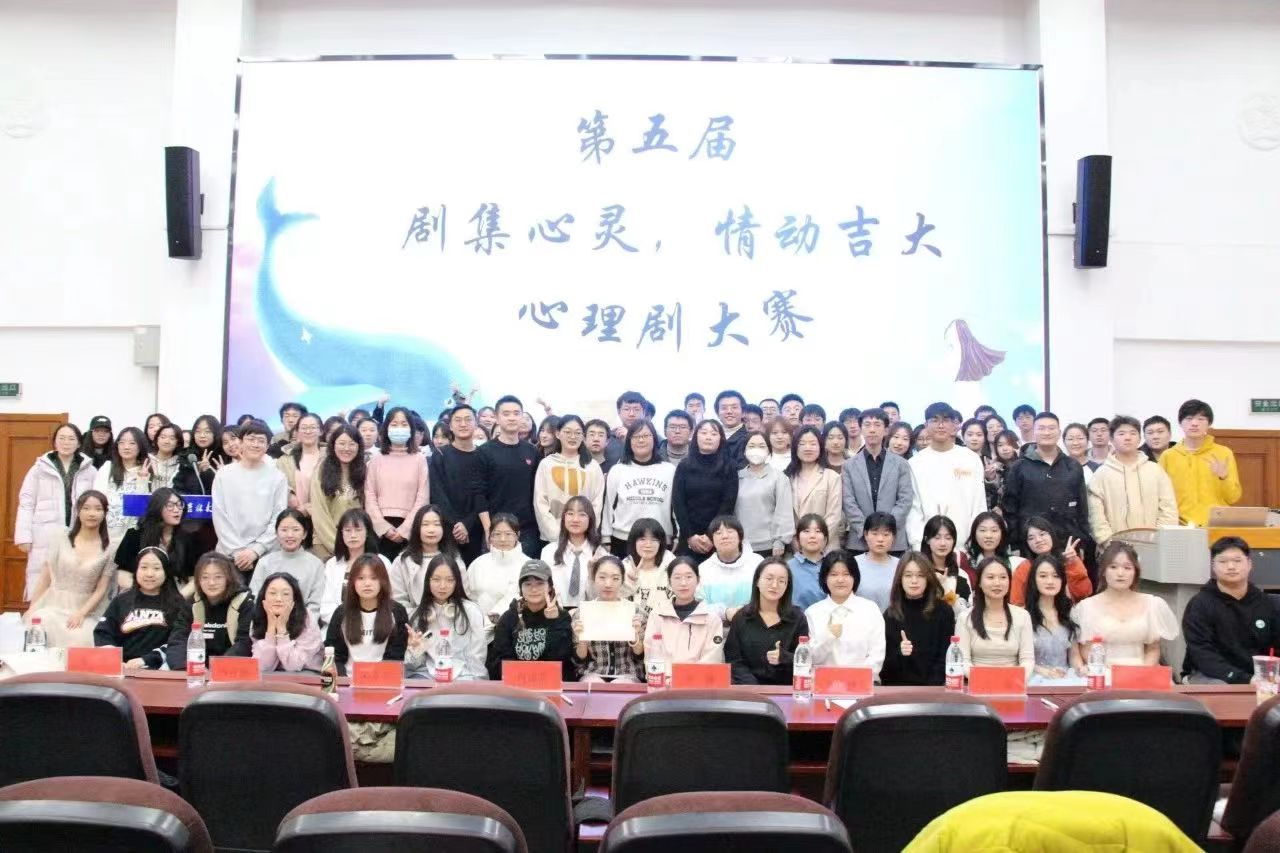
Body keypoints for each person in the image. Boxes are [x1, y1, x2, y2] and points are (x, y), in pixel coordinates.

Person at [1000, 412, 1092, 576]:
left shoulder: (1073, 466)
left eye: (1051, 428)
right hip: (1031, 545)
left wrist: (1082, 542)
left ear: (1059, 432)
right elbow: (1010, 509)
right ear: (1034, 432)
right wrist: (1015, 544)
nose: (1047, 432)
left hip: (1067, 543)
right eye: (1041, 428)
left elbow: (1082, 509)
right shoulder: (1019, 467)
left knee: (1069, 586)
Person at [1181, 537, 1280, 684]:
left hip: (1260, 675)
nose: (1231, 566)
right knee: (1220, 687)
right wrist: (1245, 679)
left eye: (1237, 561)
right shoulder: (1200, 604)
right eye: (1223, 561)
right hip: (1210, 675)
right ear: (1213, 566)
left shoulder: (1268, 603)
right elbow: (1202, 653)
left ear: (1249, 564)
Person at [15, 422, 97, 598]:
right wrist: (24, 536)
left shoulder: (89, 470)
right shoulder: (39, 469)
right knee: (40, 578)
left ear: (79, 443)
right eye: (62, 438)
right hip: (45, 532)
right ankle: (36, 613)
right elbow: (26, 503)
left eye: (71, 439)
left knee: (73, 582)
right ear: (54, 441)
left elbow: (97, 504)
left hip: (78, 532)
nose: (66, 442)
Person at [23, 490, 112, 647]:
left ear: (105, 513)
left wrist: (81, 614)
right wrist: (32, 607)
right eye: (86, 508)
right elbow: (45, 577)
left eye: (98, 509)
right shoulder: (60, 537)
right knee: (40, 623)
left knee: (84, 637)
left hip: (85, 610)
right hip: (53, 605)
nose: (92, 513)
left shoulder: (110, 547)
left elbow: (101, 589)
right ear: (78, 511)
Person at [1070, 542, 1179, 669]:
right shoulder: (1086, 607)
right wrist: (1105, 671)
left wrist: (1141, 671)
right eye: (1113, 567)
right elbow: (1085, 650)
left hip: (1141, 672)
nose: (1120, 573)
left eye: (1127, 568)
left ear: (1135, 572)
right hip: (1102, 672)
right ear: (1103, 571)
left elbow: (1153, 649)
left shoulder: (1152, 604)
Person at [212, 420, 289, 579]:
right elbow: (219, 516)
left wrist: (256, 550)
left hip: (265, 555)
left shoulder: (278, 477)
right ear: (240, 442)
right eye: (251, 439)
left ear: (267, 446)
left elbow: (278, 517)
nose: (255, 444)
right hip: (229, 555)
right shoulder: (223, 475)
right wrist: (238, 552)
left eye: (261, 441)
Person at [94, 546, 190, 669]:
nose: (149, 574)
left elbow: (179, 642)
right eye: (144, 567)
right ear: (136, 570)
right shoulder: (121, 601)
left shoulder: (178, 604)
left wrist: (147, 660)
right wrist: (113, 658)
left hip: (159, 669)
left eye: (156, 568)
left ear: (166, 572)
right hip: (121, 668)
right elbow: (103, 633)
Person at [906, 403, 987, 550]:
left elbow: (979, 505)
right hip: (927, 547)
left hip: (966, 547)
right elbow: (914, 509)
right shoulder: (915, 463)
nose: (940, 425)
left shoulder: (971, 459)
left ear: (954, 425)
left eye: (946, 420)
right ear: (926, 425)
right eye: (935, 420)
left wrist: (974, 543)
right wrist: (919, 545)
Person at [1088, 415, 1179, 544]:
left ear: (1139, 439)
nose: (1128, 437)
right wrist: (1110, 543)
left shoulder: (1155, 470)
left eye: (1133, 433)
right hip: (1114, 548)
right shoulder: (1101, 475)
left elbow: (1168, 509)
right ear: (1112, 439)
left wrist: (1158, 540)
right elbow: (1096, 517)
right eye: (1121, 433)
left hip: (1154, 545)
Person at [725, 558, 810, 685]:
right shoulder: (742, 617)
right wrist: (754, 689)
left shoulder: (797, 618)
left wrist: (784, 657)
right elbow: (734, 660)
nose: (774, 585)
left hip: (786, 689)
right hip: (748, 690)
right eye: (769, 579)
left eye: (781, 581)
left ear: (787, 586)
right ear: (757, 581)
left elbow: (804, 659)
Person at [486, 560, 576, 681]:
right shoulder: (509, 617)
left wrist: (553, 623)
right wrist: (525, 677)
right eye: (528, 584)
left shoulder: (562, 617)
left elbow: (561, 659)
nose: (534, 589)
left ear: (550, 587)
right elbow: (500, 661)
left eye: (540, 583)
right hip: (517, 682)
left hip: (552, 682)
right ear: (521, 589)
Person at [1159, 399, 1242, 527]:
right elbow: (1160, 497)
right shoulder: (1168, 456)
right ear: (1180, 423)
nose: (1194, 423)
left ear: (1209, 423)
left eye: (1201, 419)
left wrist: (1224, 478)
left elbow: (1233, 498)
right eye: (1189, 418)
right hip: (1179, 525)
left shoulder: (1223, 453)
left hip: (1217, 525)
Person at [404, 554, 488, 680]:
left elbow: (477, 656)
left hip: (464, 674)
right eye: (436, 579)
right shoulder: (418, 615)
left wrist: (474, 681)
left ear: (456, 582)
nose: (442, 586)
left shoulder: (471, 611)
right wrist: (415, 649)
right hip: (427, 674)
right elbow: (414, 666)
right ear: (428, 581)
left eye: (449, 580)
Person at [842, 408, 913, 555]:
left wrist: (886, 531)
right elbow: (848, 502)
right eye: (867, 425)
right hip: (860, 541)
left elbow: (905, 500)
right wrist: (867, 532)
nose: (872, 430)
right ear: (861, 429)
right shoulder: (849, 465)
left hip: (893, 542)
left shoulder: (901, 464)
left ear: (886, 430)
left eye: (877, 424)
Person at [324, 553, 409, 674]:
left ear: (383, 581)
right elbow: (335, 656)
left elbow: (396, 657)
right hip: (347, 679)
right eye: (361, 578)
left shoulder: (397, 612)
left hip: (383, 679)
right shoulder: (341, 613)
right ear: (352, 582)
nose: (367, 583)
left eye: (374, 578)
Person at [165, 552, 254, 668]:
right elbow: (178, 639)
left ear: (229, 578)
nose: (211, 583)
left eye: (218, 577)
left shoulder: (244, 603)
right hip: (197, 667)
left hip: (231, 668)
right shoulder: (192, 604)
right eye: (205, 577)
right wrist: (183, 668)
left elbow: (244, 643)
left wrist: (218, 668)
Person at [880, 552, 956, 686]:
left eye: (920, 575)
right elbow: (884, 670)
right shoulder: (891, 614)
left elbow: (945, 658)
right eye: (908, 575)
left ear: (928, 578)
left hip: (934, 690)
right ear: (900, 578)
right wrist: (900, 653)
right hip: (898, 689)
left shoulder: (944, 611)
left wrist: (930, 689)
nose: (914, 581)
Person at [804, 551, 886, 676]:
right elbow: (810, 658)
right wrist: (828, 636)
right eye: (834, 574)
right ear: (824, 578)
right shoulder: (813, 612)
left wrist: (853, 679)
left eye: (846, 574)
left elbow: (876, 655)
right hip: (823, 682)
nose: (840, 580)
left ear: (855, 577)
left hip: (861, 682)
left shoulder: (870, 609)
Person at [478, 395, 540, 557]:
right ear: (497, 418)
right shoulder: (484, 451)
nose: (512, 418)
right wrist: (488, 529)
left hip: (527, 529)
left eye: (516, 413)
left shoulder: (532, 451)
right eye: (506, 414)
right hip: (496, 529)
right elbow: (479, 494)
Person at [365, 406, 430, 562]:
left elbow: (423, 497)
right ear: (386, 428)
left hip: (410, 530)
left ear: (411, 429)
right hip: (380, 531)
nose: (399, 428)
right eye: (394, 424)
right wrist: (383, 527)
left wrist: (405, 529)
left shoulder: (419, 459)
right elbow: (369, 494)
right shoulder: (376, 459)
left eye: (404, 424)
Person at [956, 557, 1034, 678]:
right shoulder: (965, 618)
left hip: (1013, 682)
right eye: (990, 577)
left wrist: (1012, 679)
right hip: (977, 682)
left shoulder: (1023, 616)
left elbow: (1027, 660)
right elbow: (963, 661)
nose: (997, 583)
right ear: (979, 583)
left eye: (1003, 577)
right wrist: (987, 679)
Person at [427, 404, 485, 565]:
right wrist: (455, 525)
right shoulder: (440, 455)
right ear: (451, 426)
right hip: (446, 529)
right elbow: (437, 493)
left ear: (476, 424)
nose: (463, 424)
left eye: (468, 419)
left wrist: (467, 524)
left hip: (475, 529)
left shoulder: (484, 456)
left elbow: (485, 495)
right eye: (458, 420)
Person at [572, 555, 646, 682]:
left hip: (628, 674)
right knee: (593, 683)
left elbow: (641, 658)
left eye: (615, 578)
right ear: (593, 578)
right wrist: (582, 640)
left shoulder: (636, 612)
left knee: (622, 684)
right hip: (593, 673)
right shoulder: (582, 613)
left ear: (622, 581)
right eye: (602, 577)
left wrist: (635, 637)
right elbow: (579, 661)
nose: (608, 584)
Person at [533, 414, 605, 544]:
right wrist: (556, 534)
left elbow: (597, 503)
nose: (573, 437)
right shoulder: (546, 464)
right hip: (553, 538)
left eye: (578, 433)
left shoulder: (592, 466)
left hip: (583, 538)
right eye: (567, 432)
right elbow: (540, 503)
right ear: (558, 434)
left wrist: (584, 532)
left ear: (583, 436)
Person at [643, 556, 726, 668]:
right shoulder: (657, 615)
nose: (683, 583)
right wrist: (667, 676)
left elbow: (712, 657)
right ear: (669, 582)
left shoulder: (711, 618)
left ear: (698, 580)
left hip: (699, 678)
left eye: (689, 577)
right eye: (677, 577)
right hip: (663, 677)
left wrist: (686, 677)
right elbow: (651, 653)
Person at [672, 420, 739, 558]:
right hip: (689, 536)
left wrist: (711, 535)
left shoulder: (729, 466)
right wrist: (690, 535)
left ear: (721, 439)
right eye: (703, 433)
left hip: (719, 534)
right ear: (695, 437)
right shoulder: (684, 466)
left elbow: (728, 504)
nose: (708, 437)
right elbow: (678, 503)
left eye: (714, 434)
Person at [114, 488, 197, 595]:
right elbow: (122, 574)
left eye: (179, 505)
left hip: (175, 595)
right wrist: (145, 594)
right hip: (139, 595)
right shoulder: (134, 536)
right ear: (157, 508)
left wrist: (179, 598)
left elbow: (193, 578)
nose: (177, 510)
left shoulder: (187, 539)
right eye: (170, 505)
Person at [249, 509, 326, 620]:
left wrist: (302, 626)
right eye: (284, 530)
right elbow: (255, 598)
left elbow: (315, 605)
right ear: (276, 533)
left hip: (303, 625)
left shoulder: (316, 564)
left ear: (304, 534)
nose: (290, 535)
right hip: (267, 623)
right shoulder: (264, 562)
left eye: (296, 530)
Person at [319, 508, 389, 627]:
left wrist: (366, 622)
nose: (353, 535)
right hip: (339, 625)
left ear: (367, 532)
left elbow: (388, 599)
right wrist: (346, 624)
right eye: (348, 530)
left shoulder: (382, 562)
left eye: (358, 530)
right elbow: (326, 605)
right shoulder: (332, 564)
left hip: (375, 625)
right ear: (341, 533)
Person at [389, 504, 464, 614]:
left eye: (436, 524)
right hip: (414, 620)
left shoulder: (454, 558)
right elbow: (398, 601)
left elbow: (463, 597)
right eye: (425, 524)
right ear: (417, 528)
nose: (431, 530)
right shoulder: (402, 561)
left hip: (451, 618)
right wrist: (418, 618)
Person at [1024, 553, 1084, 685]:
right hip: (1033, 680)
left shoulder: (1068, 612)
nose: (1050, 581)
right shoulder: (1023, 615)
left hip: (1064, 680)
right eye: (1043, 576)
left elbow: (1074, 655)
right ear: (1034, 580)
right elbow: (1019, 659)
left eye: (1056, 576)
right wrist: (1045, 672)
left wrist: (1081, 669)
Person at [464, 513, 526, 639]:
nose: (502, 539)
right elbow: (468, 598)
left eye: (508, 534)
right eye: (497, 534)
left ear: (517, 535)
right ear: (490, 536)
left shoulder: (527, 565)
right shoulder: (478, 564)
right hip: (478, 632)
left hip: (515, 633)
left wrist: (492, 620)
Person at [309, 424, 366, 561]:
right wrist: (340, 546)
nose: (346, 448)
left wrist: (355, 545)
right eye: (342, 443)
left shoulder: (364, 470)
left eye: (352, 444)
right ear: (333, 445)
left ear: (359, 447)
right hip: (325, 543)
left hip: (357, 543)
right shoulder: (321, 471)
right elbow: (319, 514)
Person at [541, 496, 608, 607]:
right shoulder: (548, 551)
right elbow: (544, 588)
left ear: (590, 519)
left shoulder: (601, 555)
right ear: (564, 518)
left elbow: (603, 595)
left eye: (582, 514)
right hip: (556, 611)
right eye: (570, 514)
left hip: (590, 611)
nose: (575, 519)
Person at [1010, 516, 1092, 607]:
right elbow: (1016, 603)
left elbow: (1084, 593)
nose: (1038, 540)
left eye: (1042, 534)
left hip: (1067, 612)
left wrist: (1073, 564)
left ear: (1051, 535)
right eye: (1031, 538)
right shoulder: (1025, 567)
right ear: (1027, 543)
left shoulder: (1068, 559)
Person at [736, 431, 794, 559]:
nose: (756, 450)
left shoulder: (779, 477)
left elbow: (784, 511)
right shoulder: (736, 477)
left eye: (761, 446)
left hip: (770, 546)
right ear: (744, 450)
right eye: (751, 446)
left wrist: (780, 541)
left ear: (768, 450)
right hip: (741, 545)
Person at [251, 572, 324, 672]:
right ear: (264, 597)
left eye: (285, 594)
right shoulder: (258, 616)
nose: (278, 599)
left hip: (306, 673)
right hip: (271, 676)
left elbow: (293, 665)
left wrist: (281, 628)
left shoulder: (306, 618)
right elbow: (262, 667)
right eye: (272, 593)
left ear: (294, 598)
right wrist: (271, 627)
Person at [94, 426, 152, 547]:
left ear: (140, 446)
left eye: (132, 443)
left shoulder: (148, 471)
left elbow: (141, 509)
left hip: (132, 538)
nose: (126, 447)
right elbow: (96, 500)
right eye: (122, 442)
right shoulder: (107, 468)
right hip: (105, 535)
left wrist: (142, 480)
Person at [698, 515, 765, 618]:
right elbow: (699, 605)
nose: (725, 536)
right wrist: (725, 612)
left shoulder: (757, 562)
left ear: (740, 536)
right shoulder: (704, 569)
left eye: (730, 531)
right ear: (712, 540)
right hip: (716, 624)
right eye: (718, 533)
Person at [787, 425, 842, 546]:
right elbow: (785, 517)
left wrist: (817, 541)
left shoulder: (832, 477)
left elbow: (834, 516)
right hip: (796, 547)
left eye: (813, 444)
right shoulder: (788, 478)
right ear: (795, 448)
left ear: (821, 447)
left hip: (825, 546)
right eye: (802, 444)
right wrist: (797, 542)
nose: (808, 448)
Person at [622, 517, 674, 617]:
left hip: (666, 621)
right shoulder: (625, 566)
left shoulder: (670, 562)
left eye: (654, 540)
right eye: (642, 539)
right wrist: (630, 583)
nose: (648, 545)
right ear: (634, 541)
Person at [922, 514, 974, 612]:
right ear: (927, 540)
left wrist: (946, 590)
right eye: (937, 537)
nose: (943, 543)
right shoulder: (919, 571)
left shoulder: (961, 575)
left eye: (948, 538)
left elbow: (966, 613)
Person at [276, 413, 324, 513]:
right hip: (295, 515)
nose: (308, 431)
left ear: (321, 431)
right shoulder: (284, 461)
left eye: (312, 427)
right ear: (297, 432)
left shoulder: (330, 457)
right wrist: (290, 497)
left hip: (325, 514)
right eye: (304, 428)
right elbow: (278, 488)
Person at [854, 512, 900, 612]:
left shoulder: (900, 565)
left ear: (894, 536)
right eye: (875, 534)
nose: (880, 539)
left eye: (886, 534)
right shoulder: (853, 564)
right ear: (865, 535)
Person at [788, 513, 829, 611]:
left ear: (825, 539)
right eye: (806, 531)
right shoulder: (787, 568)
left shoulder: (833, 565)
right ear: (797, 538)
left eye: (818, 531)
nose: (812, 536)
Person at [603, 391, 649, 468]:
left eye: (636, 409)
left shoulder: (652, 438)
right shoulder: (608, 437)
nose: (631, 414)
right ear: (619, 412)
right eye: (626, 409)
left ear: (644, 412)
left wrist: (629, 438)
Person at [715, 389, 749, 464]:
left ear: (743, 412)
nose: (729, 411)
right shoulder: (711, 436)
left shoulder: (749, 439)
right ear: (717, 413)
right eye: (724, 408)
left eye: (734, 407)